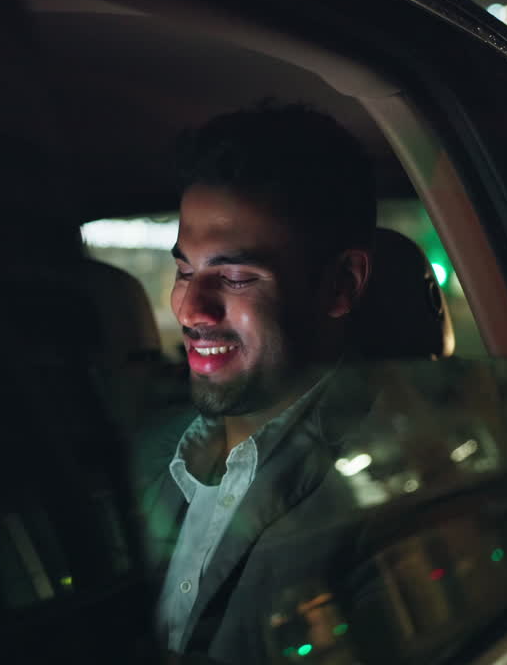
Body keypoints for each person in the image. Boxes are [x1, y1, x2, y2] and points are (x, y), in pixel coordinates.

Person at [136, 102, 378, 663]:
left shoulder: (392, 475)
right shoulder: (149, 452)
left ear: (341, 284)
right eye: (184, 271)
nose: (191, 309)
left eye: (237, 276)